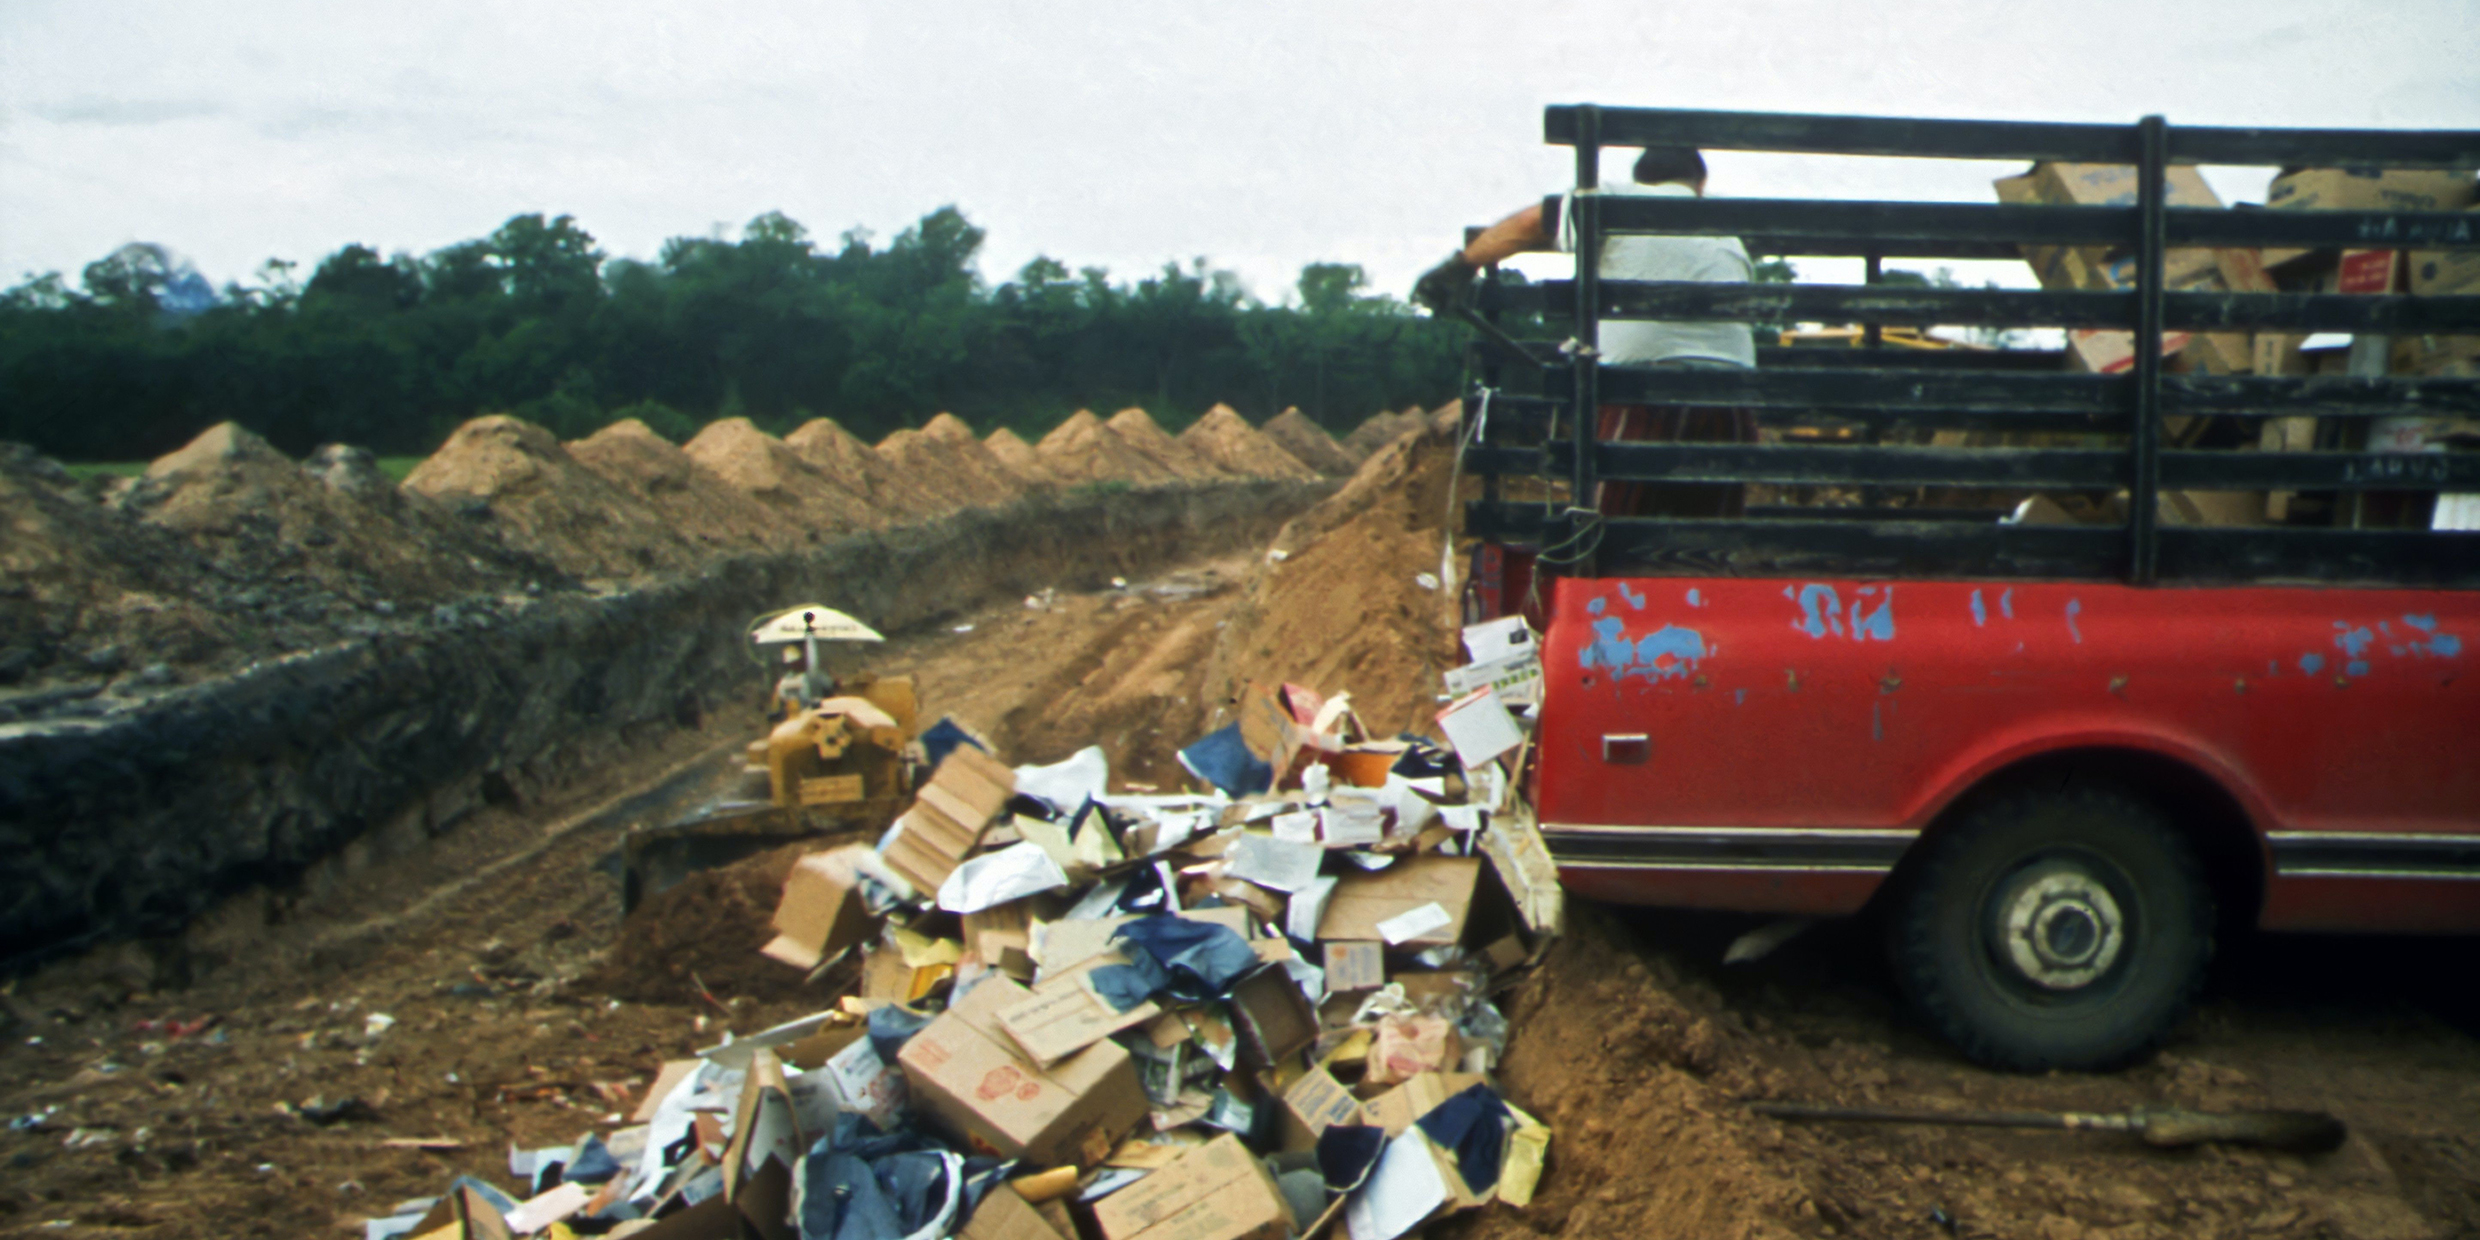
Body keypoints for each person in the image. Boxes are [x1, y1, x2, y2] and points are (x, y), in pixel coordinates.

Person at [1415, 146, 1758, 517]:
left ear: (1640, 180)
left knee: (1613, 535)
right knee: (1708, 537)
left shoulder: (1618, 201)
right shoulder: (1725, 228)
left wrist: (1461, 266)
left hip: (1645, 395)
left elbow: (1531, 224)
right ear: (1700, 184)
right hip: (1732, 402)